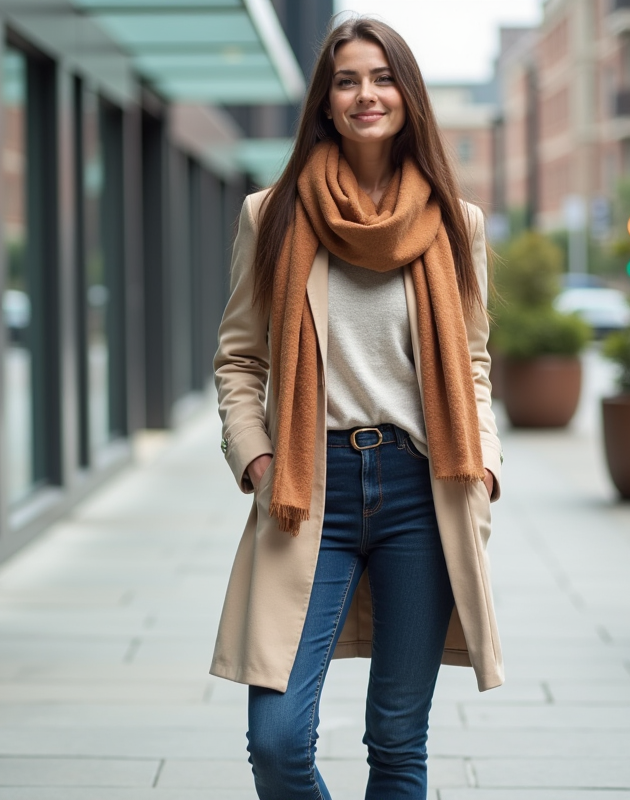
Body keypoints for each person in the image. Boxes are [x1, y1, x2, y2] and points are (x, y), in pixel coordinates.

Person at [211, 15, 503, 799]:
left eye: (381, 77)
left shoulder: (455, 224)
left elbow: (473, 363)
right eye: (347, 80)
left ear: (406, 95)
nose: (365, 94)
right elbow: (241, 357)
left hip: (424, 488)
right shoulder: (270, 215)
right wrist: (258, 458)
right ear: (326, 101)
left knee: (399, 741)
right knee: (277, 741)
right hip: (310, 489)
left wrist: (485, 469)